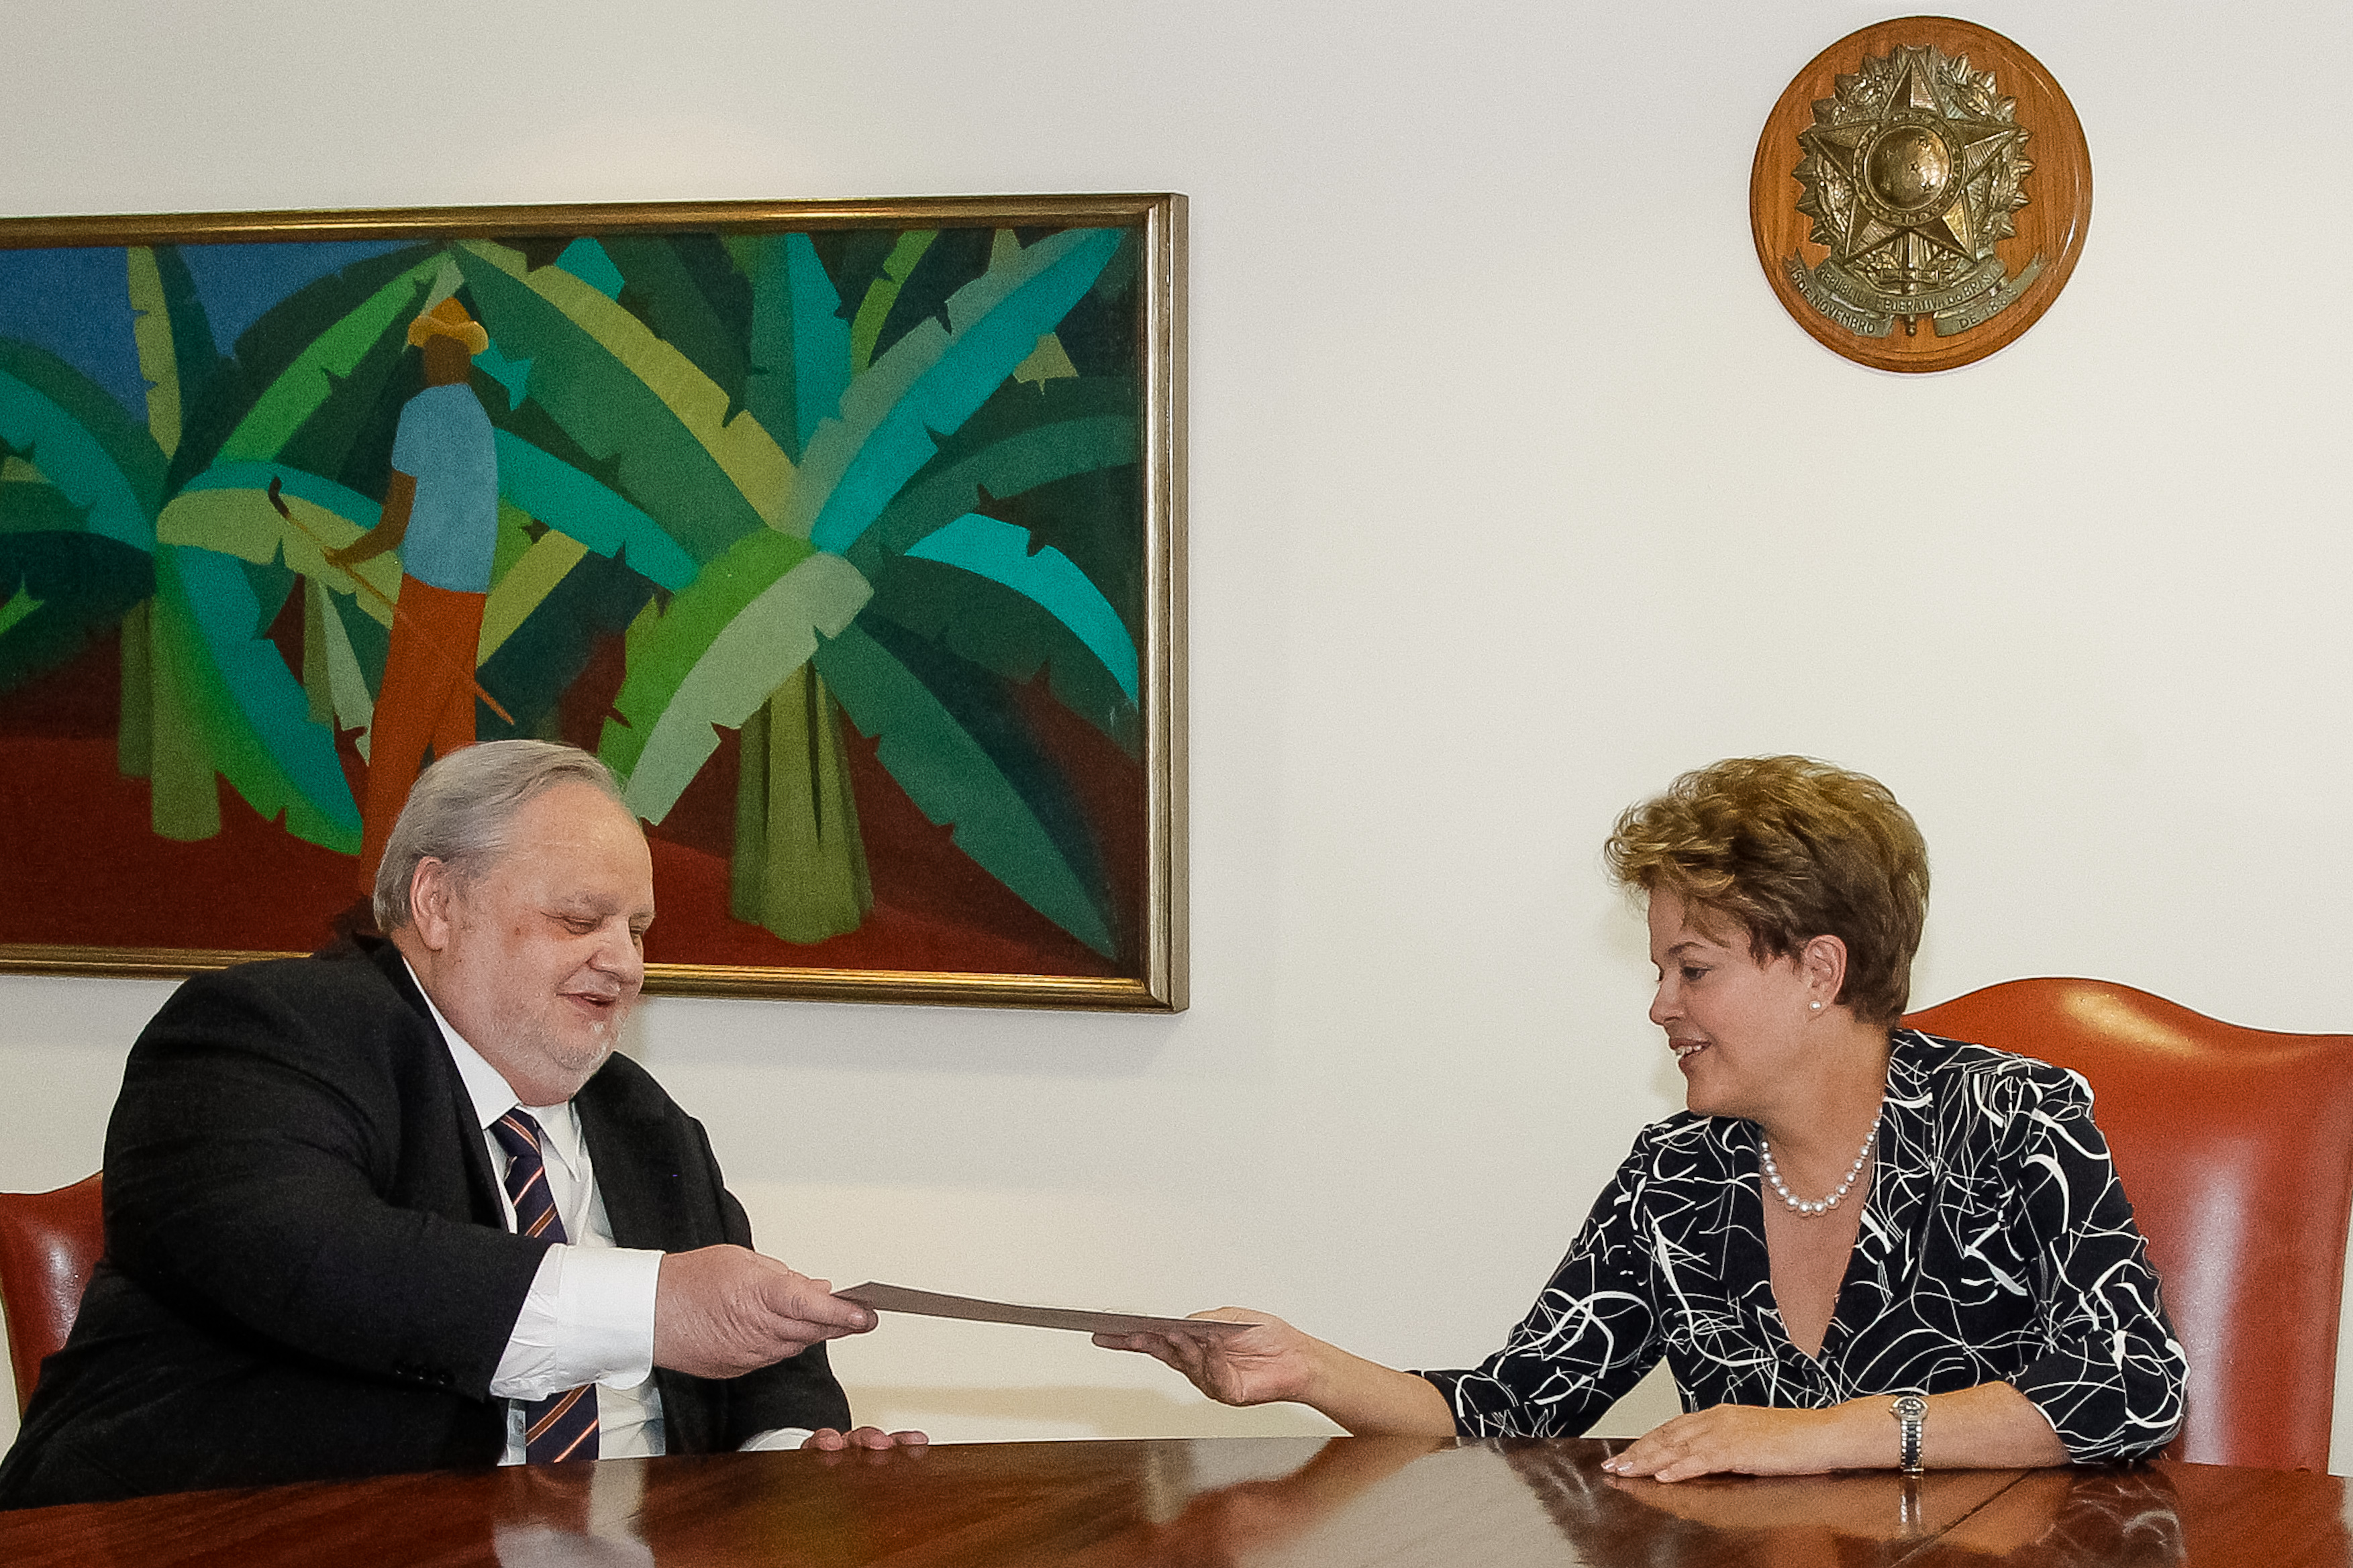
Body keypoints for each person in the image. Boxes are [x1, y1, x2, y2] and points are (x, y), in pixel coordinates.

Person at [1097, 756, 2187, 1479]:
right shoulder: (1680, 1174)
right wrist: (1301, 1366)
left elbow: (2133, 1386)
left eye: (1693, 966)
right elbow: (1520, 1402)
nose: (1660, 1002)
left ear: (1818, 967)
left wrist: (1817, 1436)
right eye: (1661, 963)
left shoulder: (2006, 1117)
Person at [0, 741, 923, 1508]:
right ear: (438, 903)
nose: (627, 962)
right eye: (579, 918)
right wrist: (650, 1307)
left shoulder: (643, 1119)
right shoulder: (268, 1033)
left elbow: (752, 1355)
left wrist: (793, 1452)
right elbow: (312, 1256)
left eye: (638, 929)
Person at [332, 295, 503, 900]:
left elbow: (394, 524)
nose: (431, 360)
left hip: (431, 590)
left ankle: (374, 884)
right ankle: (468, 885)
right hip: (470, 596)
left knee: (398, 733)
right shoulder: (479, 419)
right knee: (454, 736)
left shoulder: (422, 412)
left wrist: (346, 555)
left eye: (435, 349)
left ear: (446, 355)